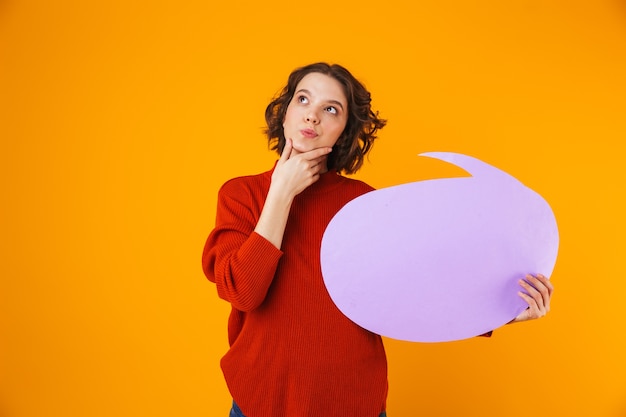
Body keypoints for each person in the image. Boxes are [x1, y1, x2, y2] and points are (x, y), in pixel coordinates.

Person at [201, 62, 554, 417]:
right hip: (261, 401)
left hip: (354, 402)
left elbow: (417, 290)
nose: (312, 117)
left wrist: (504, 312)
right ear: (286, 113)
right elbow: (243, 292)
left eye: (330, 109)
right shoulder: (241, 194)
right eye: (303, 100)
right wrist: (280, 193)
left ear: (344, 129)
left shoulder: (365, 205)